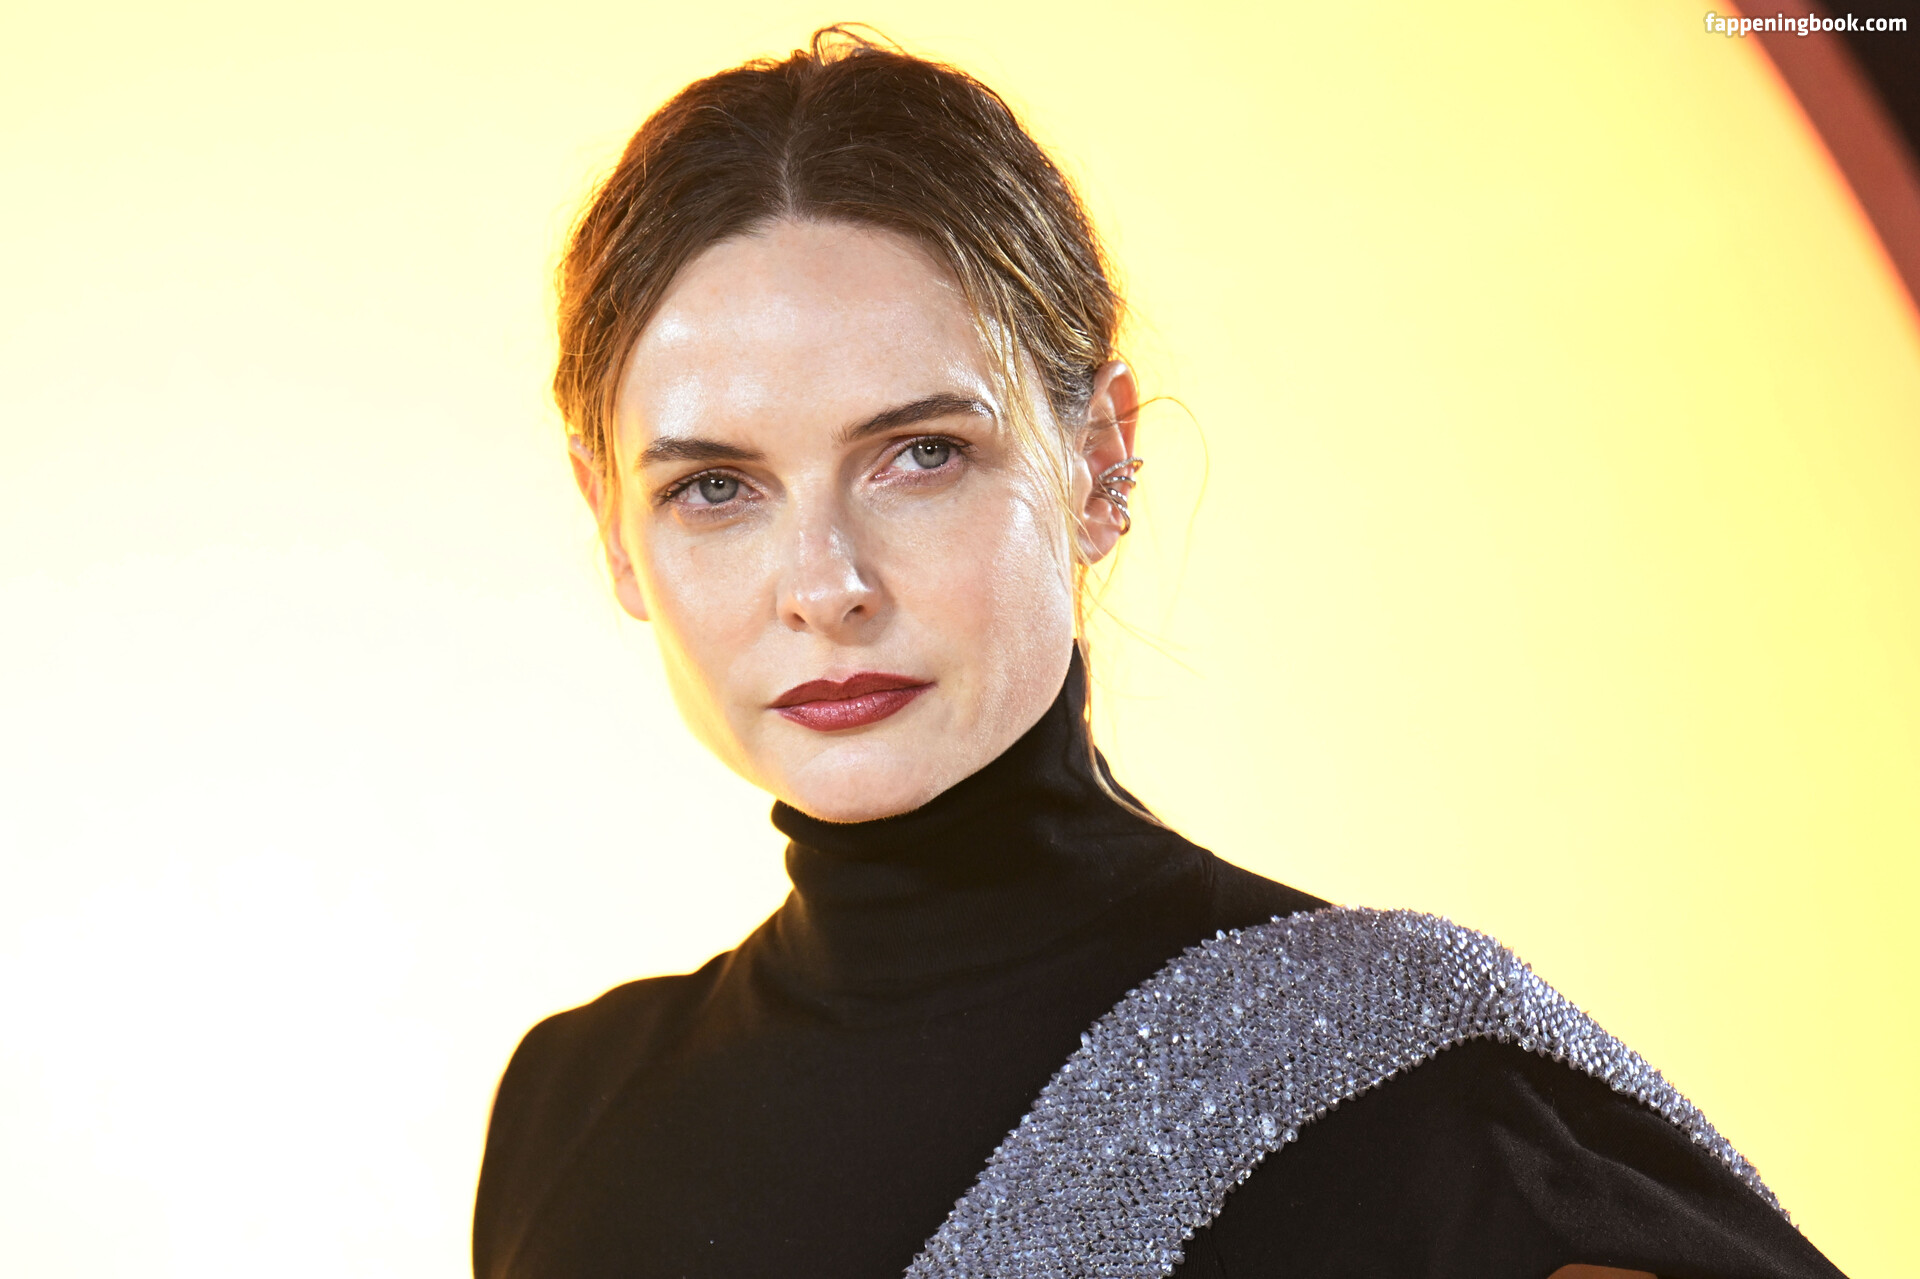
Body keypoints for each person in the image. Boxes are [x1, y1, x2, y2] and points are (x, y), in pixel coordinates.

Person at [473, 29, 1845, 1279]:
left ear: (1099, 459)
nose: (825, 588)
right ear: (612, 525)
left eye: (921, 455)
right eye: (715, 487)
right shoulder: (569, 1110)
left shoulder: (1411, 1094)